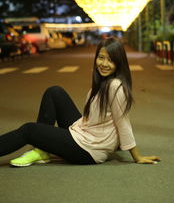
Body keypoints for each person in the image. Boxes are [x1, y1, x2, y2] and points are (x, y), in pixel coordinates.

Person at [0, 38, 160, 167]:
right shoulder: (104, 81)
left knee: (29, 130)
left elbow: (122, 121)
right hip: (85, 131)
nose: (104, 64)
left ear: (119, 63)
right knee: (54, 92)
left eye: (111, 60)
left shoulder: (115, 86)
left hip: (88, 150)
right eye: (101, 58)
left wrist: (137, 156)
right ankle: (43, 150)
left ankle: (41, 148)